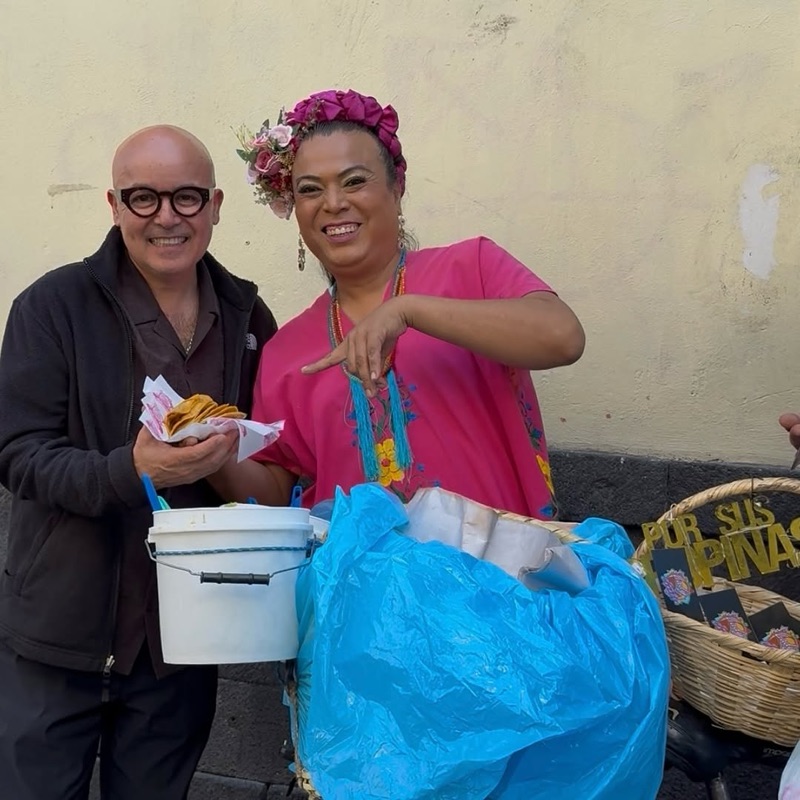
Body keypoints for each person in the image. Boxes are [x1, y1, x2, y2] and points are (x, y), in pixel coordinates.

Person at [0, 125, 277, 800]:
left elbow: (272, 462)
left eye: (185, 197)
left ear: (215, 205)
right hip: (58, 632)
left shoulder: (247, 316)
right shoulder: (53, 306)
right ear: (114, 204)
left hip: (182, 639)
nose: (166, 218)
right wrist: (135, 471)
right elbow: (18, 456)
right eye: (142, 198)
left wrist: (228, 457)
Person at [213, 88, 584, 519]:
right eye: (310, 190)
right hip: (364, 584)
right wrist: (215, 459)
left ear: (397, 188)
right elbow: (277, 493)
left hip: (499, 576)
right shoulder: (285, 351)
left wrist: (407, 310)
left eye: (354, 181)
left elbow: (562, 337)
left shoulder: (471, 268)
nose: (333, 204)